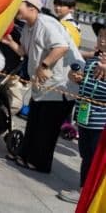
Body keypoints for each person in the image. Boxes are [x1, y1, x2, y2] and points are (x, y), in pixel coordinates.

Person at [2, 0, 76, 172]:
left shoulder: (46, 23)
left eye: (19, 6)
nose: (15, 11)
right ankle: (25, 154)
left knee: (47, 127)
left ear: (32, 7)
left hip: (59, 85)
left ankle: (40, 163)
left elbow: (62, 47)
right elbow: (24, 52)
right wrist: (11, 42)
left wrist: (44, 64)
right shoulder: (28, 26)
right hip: (41, 85)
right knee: (34, 121)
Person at [59, 24, 106, 204]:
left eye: (105, 37)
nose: (101, 40)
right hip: (84, 116)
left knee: (94, 158)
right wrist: (75, 76)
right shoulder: (93, 61)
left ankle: (85, 192)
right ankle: (85, 189)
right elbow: (83, 82)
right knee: (86, 154)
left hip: (100, 121)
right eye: (100, 36)